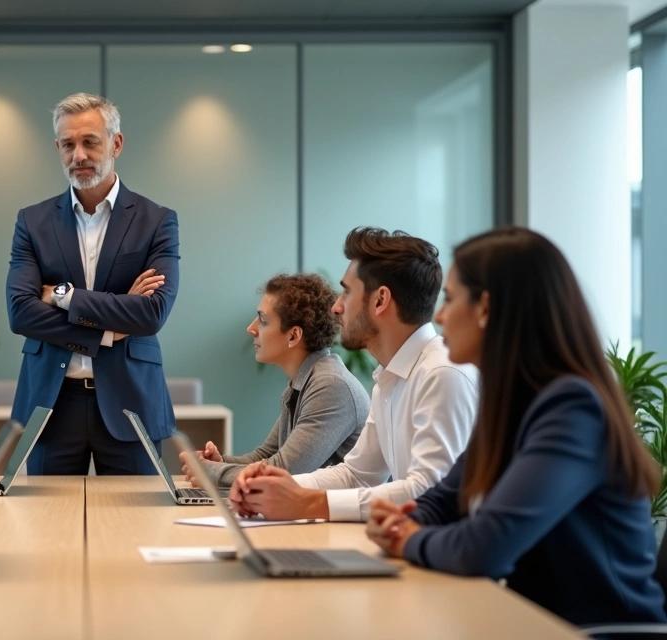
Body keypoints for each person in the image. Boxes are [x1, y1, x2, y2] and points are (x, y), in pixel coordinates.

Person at [365, 227, 667, 627]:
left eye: (451, 299)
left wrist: (408, 539)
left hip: (596, 631)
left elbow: (484, 547)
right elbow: (445, 500)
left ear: (486, 308)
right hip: (531, 621)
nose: (439, 315)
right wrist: (406, 519)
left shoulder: (573, 409)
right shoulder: (513, 404)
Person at [230, 227, 478, 522]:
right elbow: (358, 474)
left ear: (380, 300)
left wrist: (308, 503)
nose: (336, 307)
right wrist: (274, 486)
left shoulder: (441, 373)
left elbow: (428, 491)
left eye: (347, 291)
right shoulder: (389, 377)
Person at [6, 92, 180, 475]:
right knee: (46, 529)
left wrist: (62, 296)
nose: (78, 155)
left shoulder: (157, 220)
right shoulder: (32, 222)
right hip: (51, 404)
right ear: (57, 148)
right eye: (68, 144)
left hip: (130, 402)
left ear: (116, 143)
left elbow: (151, 313)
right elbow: (20, 313)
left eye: (90, 142)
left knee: (138, 528)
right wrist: (106, 332)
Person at [178, 273, 367, 488]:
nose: (251, 329)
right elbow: (265, 456)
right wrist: (220, 462)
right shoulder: (304, 381)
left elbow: (285, 471)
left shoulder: (332, 386)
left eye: (263, 320)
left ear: (294, 336)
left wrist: (212, 472)